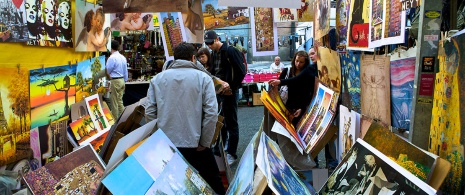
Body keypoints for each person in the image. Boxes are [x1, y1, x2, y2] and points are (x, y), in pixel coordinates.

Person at [144, 42, 226, 195]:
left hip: (167, 142)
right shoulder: (203, 78)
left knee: (170, 185)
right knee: (212, 181)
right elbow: (211, 113)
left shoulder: (157, 79)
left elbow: (149, 112)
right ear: (193, 58)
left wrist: (158, 138)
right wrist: (205, 141)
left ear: (174, 59)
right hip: (195, 143)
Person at [205, 30, 245, 165]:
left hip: (230, 92)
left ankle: (232, 153)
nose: (209, 45)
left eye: (211, 43)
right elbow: (214, 71)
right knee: (220, 121)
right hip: (218, 92)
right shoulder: (214, 53)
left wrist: (231, 87)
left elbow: (241, 71)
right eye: (207, 44)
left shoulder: (230, 51)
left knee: (231, 122)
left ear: (217, 39)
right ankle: (219, 149)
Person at [269, 50, 318, 125]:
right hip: (285, 104)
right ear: (294, 59)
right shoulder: (287, 71)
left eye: (301, 62)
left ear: (305, 63)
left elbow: (307, 92)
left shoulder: (306, 73)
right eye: (297, 61)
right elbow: (277, 86)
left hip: (298, 107)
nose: (298, 64)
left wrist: (302, 107)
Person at [106, 40, 128, 118]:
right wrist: (125, 81)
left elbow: (108, 70)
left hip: (115, 80)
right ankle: (123, 118)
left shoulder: (112, 58)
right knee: (120, 101)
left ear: (110, 47)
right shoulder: (122, 57)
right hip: (122, 80)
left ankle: (115, 120)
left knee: (114, 102)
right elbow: (126, 71)